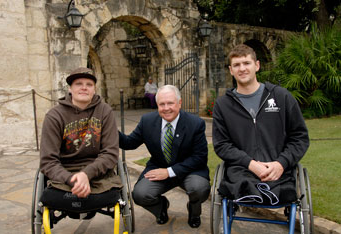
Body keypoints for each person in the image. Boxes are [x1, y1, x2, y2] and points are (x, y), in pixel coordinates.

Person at [212, 44, 309, 205]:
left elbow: (300, 138)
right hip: (242, 170)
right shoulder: (223, 105)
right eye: (236, 65)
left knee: (283, 190)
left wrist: (281, 163)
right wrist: (251, 164)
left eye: (246, 63)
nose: (242, 68)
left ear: (257, 66)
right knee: (241, 186)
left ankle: (266, 192)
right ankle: (255, 192)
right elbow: (222, 145)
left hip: (278, 170)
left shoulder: (281, 97)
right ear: (231, 70)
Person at [119, 85, 210, 228]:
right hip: (159, 165)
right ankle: (161, 207)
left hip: (190, 170)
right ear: (157, 105)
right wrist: (111, 129)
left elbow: (199, 157)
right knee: (140, 194)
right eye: (162, 104)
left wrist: (168, 172)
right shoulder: (147, 121)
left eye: (170, 103)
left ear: (179, 103)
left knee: (199, 189)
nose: (166, 108)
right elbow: (129, 143)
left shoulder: (195, 123)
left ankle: (194, 211)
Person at [40, 67, 122, 200]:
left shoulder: (104, 111)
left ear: (94, 90)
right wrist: (72, 179)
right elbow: (48, 161)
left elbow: (111, 153)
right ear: (70, 89)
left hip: (98, 173)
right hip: (64, 174)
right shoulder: (54, 116)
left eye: (89, 84)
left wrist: (86, 174)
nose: (84, 88)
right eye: (78, 84)